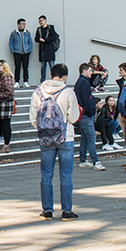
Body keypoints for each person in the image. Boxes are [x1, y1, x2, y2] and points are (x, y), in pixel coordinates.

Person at [31, 63, 78, 219]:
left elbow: (33, 118)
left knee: (46, 175)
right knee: (65, 175)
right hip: (66, 138)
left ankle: (47, 210)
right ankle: (66, 210)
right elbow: (74, 117)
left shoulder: (37, 92)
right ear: (64, 76)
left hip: (45, 138)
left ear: (51, 75)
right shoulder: (68, 92)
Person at [74, 63, 105, 170]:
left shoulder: (82, 82)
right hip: (86, 115)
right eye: (90, 70)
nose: (92, 72)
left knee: (85, 138)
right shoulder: (83, 83)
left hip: (84, 114)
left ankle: (83, 159)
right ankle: (95, 161)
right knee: (91, 138)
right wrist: (90, 111)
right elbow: (86, 99)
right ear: (84, 71)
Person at [0, 59, 16, 153]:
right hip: (1, 103)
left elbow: (10, 92)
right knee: (3, 123)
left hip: (4, 103)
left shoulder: (6, 77)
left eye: (1, 65)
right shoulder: (1, 77)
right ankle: (6, 144)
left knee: (5, 124)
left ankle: (7, 144)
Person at [34, 16, 59, 82]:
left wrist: (45, 40)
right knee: (43, 67)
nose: (40, 22)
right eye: (39, 21)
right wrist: (39, 39)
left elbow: (53, 37)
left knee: (52, 66)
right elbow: (36, 39)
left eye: (41, 20)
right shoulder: (39, 29)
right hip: (42, 50)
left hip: (50, 50)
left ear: (45, 20)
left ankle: (54, 80)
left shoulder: (50, 28)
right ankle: (42, 81)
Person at [9, 19, 33, 88]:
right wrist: (13, 51)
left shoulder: (27, 33)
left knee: (25, 67)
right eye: (22, 24)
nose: (24, 25)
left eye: (24, 24)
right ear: (18, 25)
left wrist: (29, 50)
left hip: (25, 52)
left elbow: (30, 42)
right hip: (17, 52)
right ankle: (17, 81)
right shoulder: (14, 33)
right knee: (17, 67)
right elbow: (11, 42)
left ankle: (26, 81)